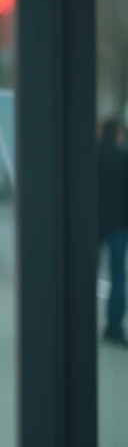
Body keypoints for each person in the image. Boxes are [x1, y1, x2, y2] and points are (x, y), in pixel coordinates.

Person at [98, 118, 128, 346]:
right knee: (118, 275)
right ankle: (114, 327)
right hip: (119, 224)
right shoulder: (124, 158)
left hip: (92, 223)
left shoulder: (91, 156)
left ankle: (77, 324)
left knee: (83, 274)